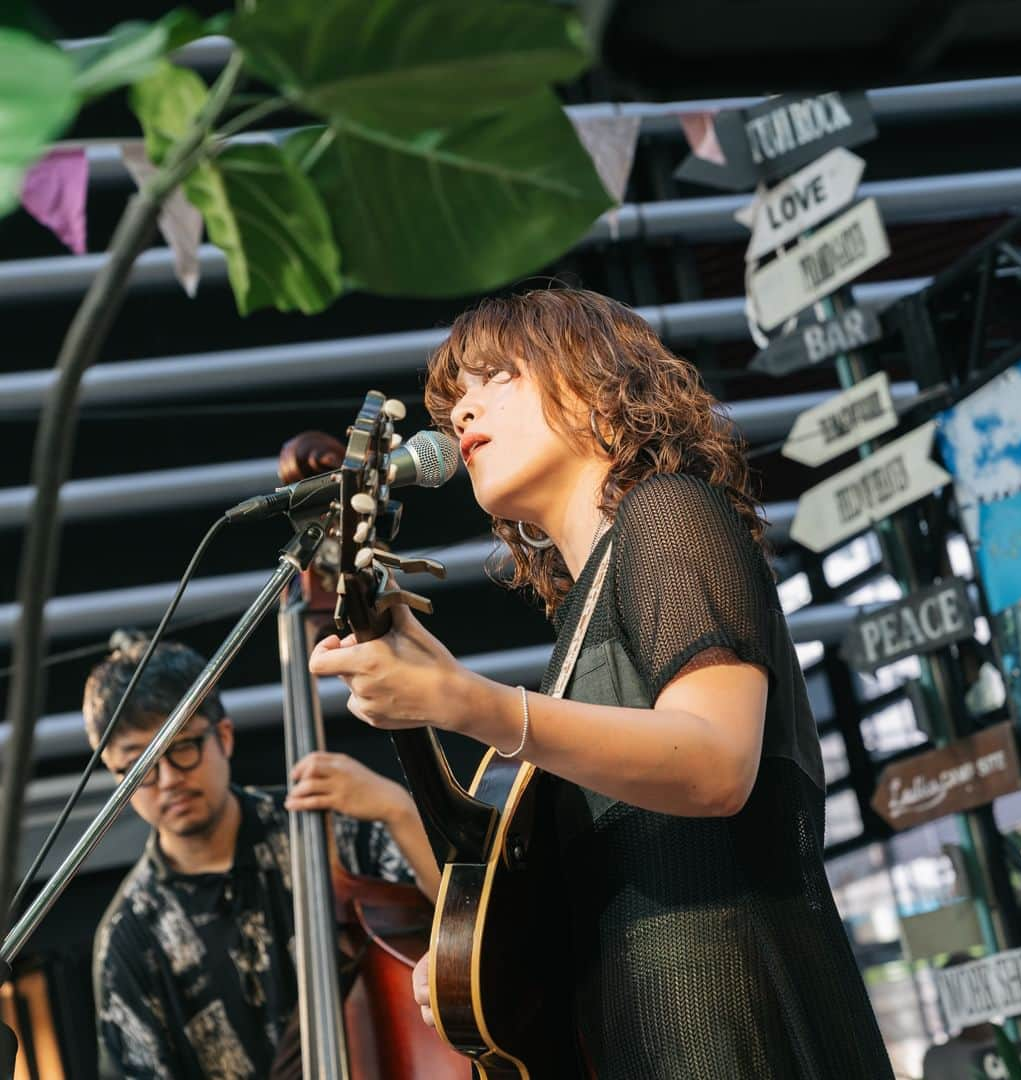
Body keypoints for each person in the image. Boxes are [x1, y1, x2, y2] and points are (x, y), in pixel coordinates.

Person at [309, 287, 895, 1078]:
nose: (461, 413)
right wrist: (483, 973)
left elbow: (716, 763)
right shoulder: (580, 631)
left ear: (593, 382)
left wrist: (469, 703)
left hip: (738, 1034)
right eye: (455, 398)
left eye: (495, 378)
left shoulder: (670, 512)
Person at [86, 633, 439, 1080]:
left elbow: (464, 917)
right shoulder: (129, 936)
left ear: (225, 737)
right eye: (140, 767)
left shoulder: (328, 828)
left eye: (182, 748)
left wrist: (399, 809)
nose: (169, 779)